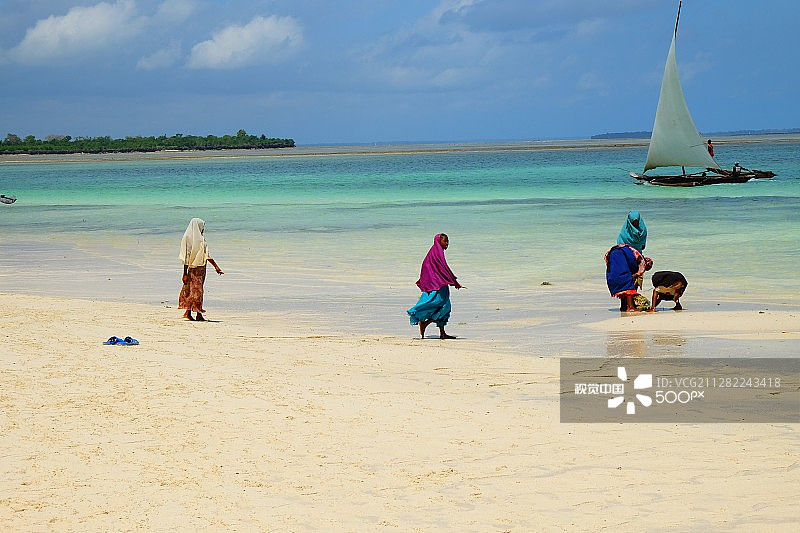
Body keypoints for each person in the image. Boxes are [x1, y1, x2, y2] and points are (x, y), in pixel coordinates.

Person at [407, 233, 463, 339]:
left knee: (443, 306)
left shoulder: (434, 252)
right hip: (437, 286)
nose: (447, 243)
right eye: (445, 241)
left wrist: (452, 281)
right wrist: (454, 282)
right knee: (444, 306)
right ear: (438, 241)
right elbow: (444, 269)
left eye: (448, 241)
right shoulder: (437, 254)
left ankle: (442, 333)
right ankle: (425, 324)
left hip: (439, 284)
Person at [179, 218, 223, 321]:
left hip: (202, 268)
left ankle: (188, 312)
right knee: (195, 291)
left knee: (195, 291)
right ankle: (198, 314)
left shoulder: (201, 239)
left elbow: (206, 255)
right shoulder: (187, 238)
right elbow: (186, 256)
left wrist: (216, 267)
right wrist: (184, 273)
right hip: (192, 268)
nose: (203, 229)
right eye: (201, 226)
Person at [604, 243, 652, 312]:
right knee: (629, 286)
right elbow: (636, 272)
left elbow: (607, 259)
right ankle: (631, 307)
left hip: (612, 272)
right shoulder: (641, 261)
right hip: (620, 264)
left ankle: (623, 307)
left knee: (623, 289)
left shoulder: (630, 251)